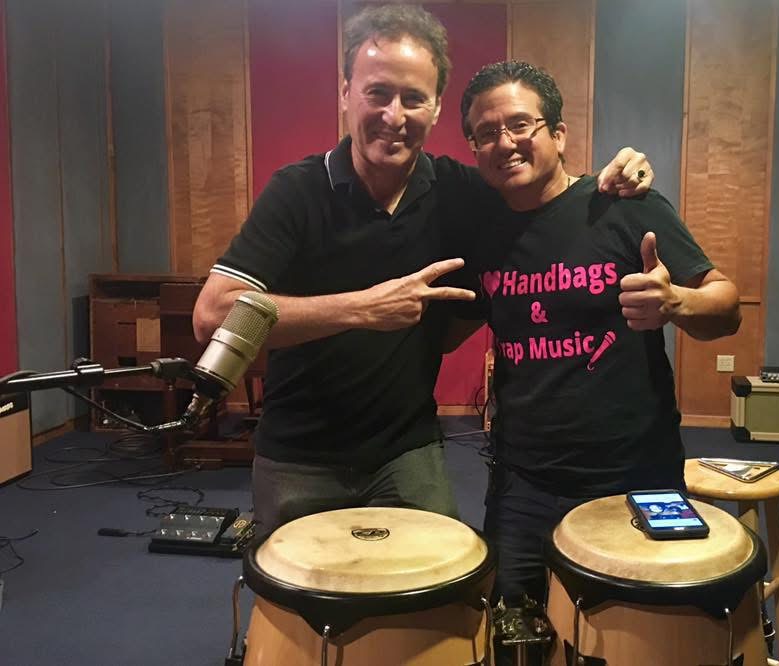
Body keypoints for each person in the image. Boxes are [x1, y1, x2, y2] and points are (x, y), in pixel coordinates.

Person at [191, 5, 654, 534]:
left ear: (435, 110)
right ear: (345, 93)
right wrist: (364, 309)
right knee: (291, 588)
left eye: (413, 98)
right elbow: (213, 315)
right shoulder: (296, 191)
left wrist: (615, 180)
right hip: (298, 455)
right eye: (378, 93)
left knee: (450, 583)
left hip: (407, 451)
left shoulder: (464, 193)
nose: (394, 115)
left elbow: (547, 196)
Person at [456, 60, 741, 612]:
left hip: (636, 474)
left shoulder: (623, 207)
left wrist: (678, 303)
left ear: (559, 134)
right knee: (515, 630)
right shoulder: (482, 232)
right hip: (523, 482)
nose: (504, 142)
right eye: (485, 133)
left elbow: (726, 305)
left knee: (637, 635)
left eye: (520, 125)